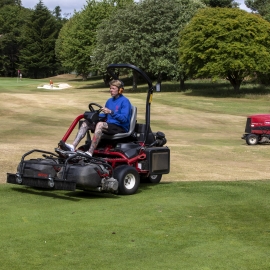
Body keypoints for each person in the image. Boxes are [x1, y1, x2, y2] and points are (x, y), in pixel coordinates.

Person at [64, 79, 132, 156]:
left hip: (120, 127)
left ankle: (90, 152)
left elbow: (124, 119)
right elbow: (105, 116)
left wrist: (111, 112)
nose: (111, 90)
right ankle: (73, 146)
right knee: (86, 122)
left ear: (120, 90)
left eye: (113, 88)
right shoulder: (109, 101)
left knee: (100, 124)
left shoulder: (125, 101)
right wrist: (94, 115)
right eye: (110, 88)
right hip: (109, 125)